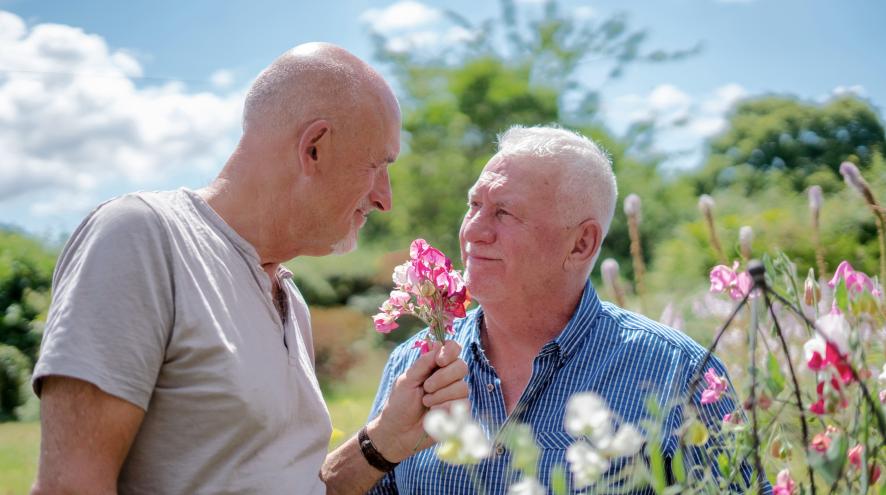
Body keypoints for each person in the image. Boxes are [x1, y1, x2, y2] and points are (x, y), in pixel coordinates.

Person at [30, 43, 468, 495]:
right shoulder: (140, 237)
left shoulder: (288, 297)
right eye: (378, 166)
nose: (385, 198)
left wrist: (383, 442)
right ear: (314, 148)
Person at [367, 125, 769, 494]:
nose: (473, 230)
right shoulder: (413, 366)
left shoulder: (679, 374)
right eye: (474, 205)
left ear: (582, 244)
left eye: (504, 212)